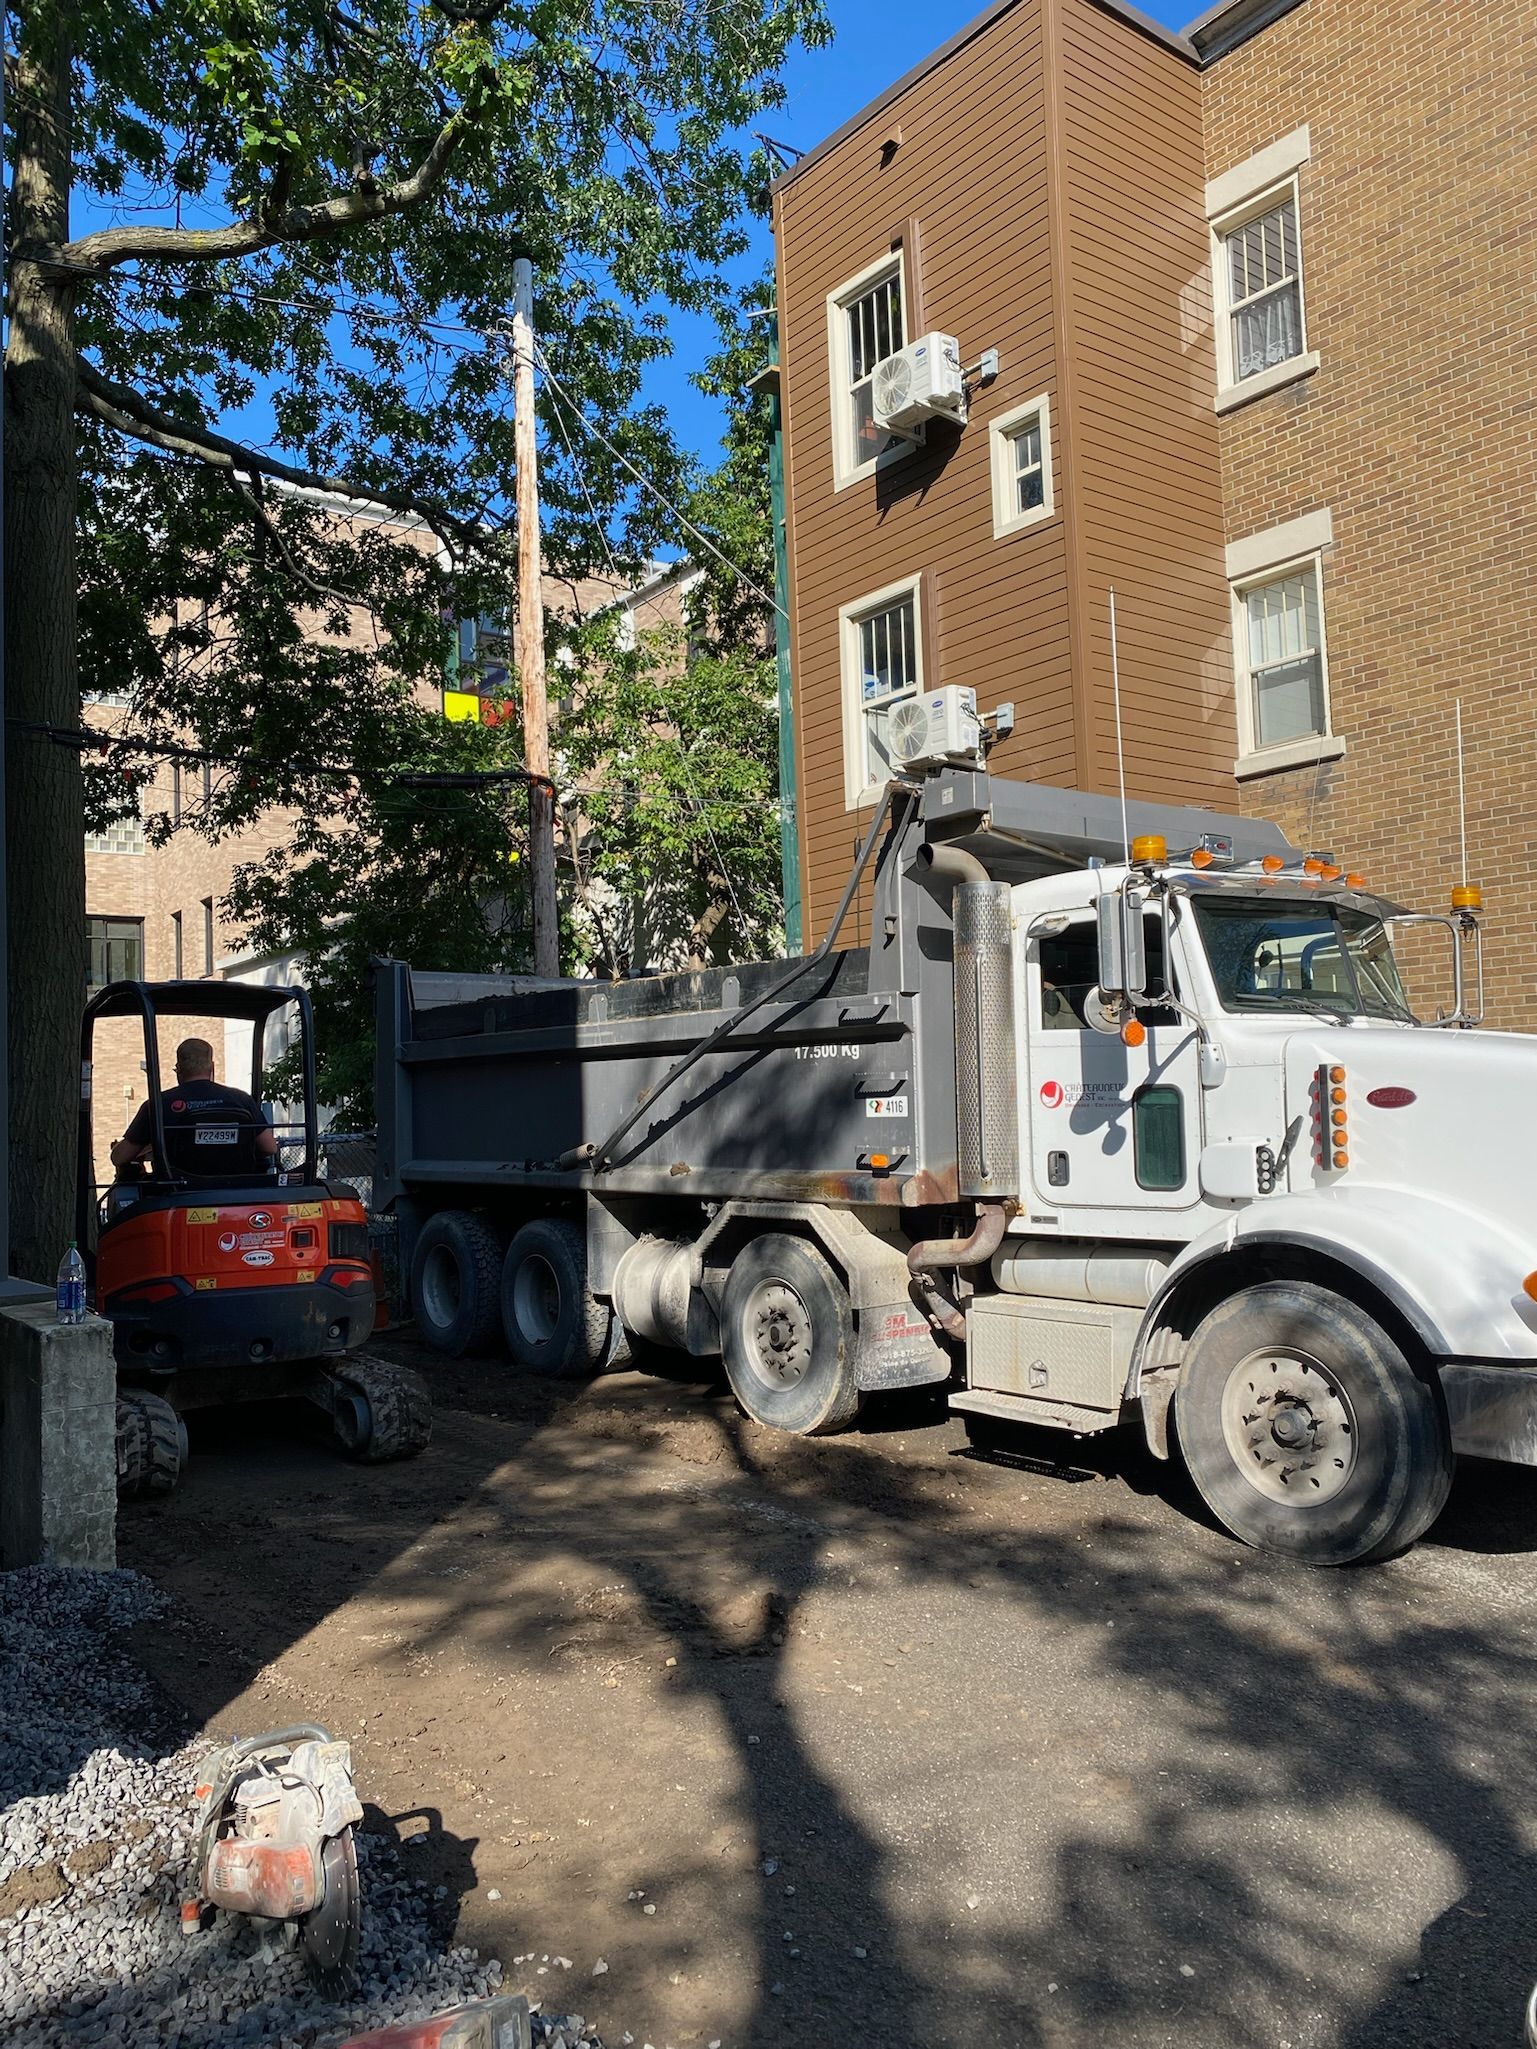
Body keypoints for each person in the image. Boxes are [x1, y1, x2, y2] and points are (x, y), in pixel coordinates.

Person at [111, 1037, 278, 1179]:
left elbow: (119, 1157)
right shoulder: (242, 1100)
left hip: (176, 1194)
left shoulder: (158, 1104)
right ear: (212, 1067)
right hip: (237, 1191)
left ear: (178, 1069)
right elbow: (269, 1147)